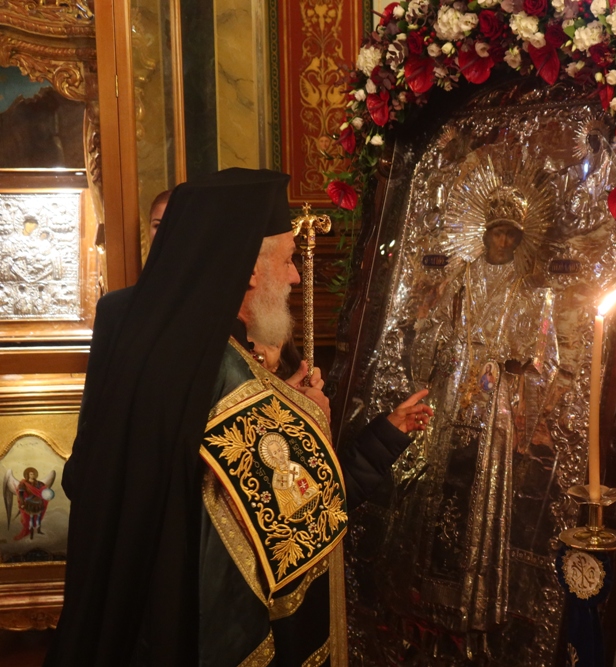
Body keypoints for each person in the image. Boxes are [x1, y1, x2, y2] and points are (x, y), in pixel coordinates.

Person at [46, 168, 432, 666]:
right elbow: (299, 516)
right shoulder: (225, 373)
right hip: (193, 626)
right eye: (289, 260)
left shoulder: (162, 346)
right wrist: (305, 425)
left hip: (125, 613)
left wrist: (282, 411)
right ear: (249, 270)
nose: (296, 275)